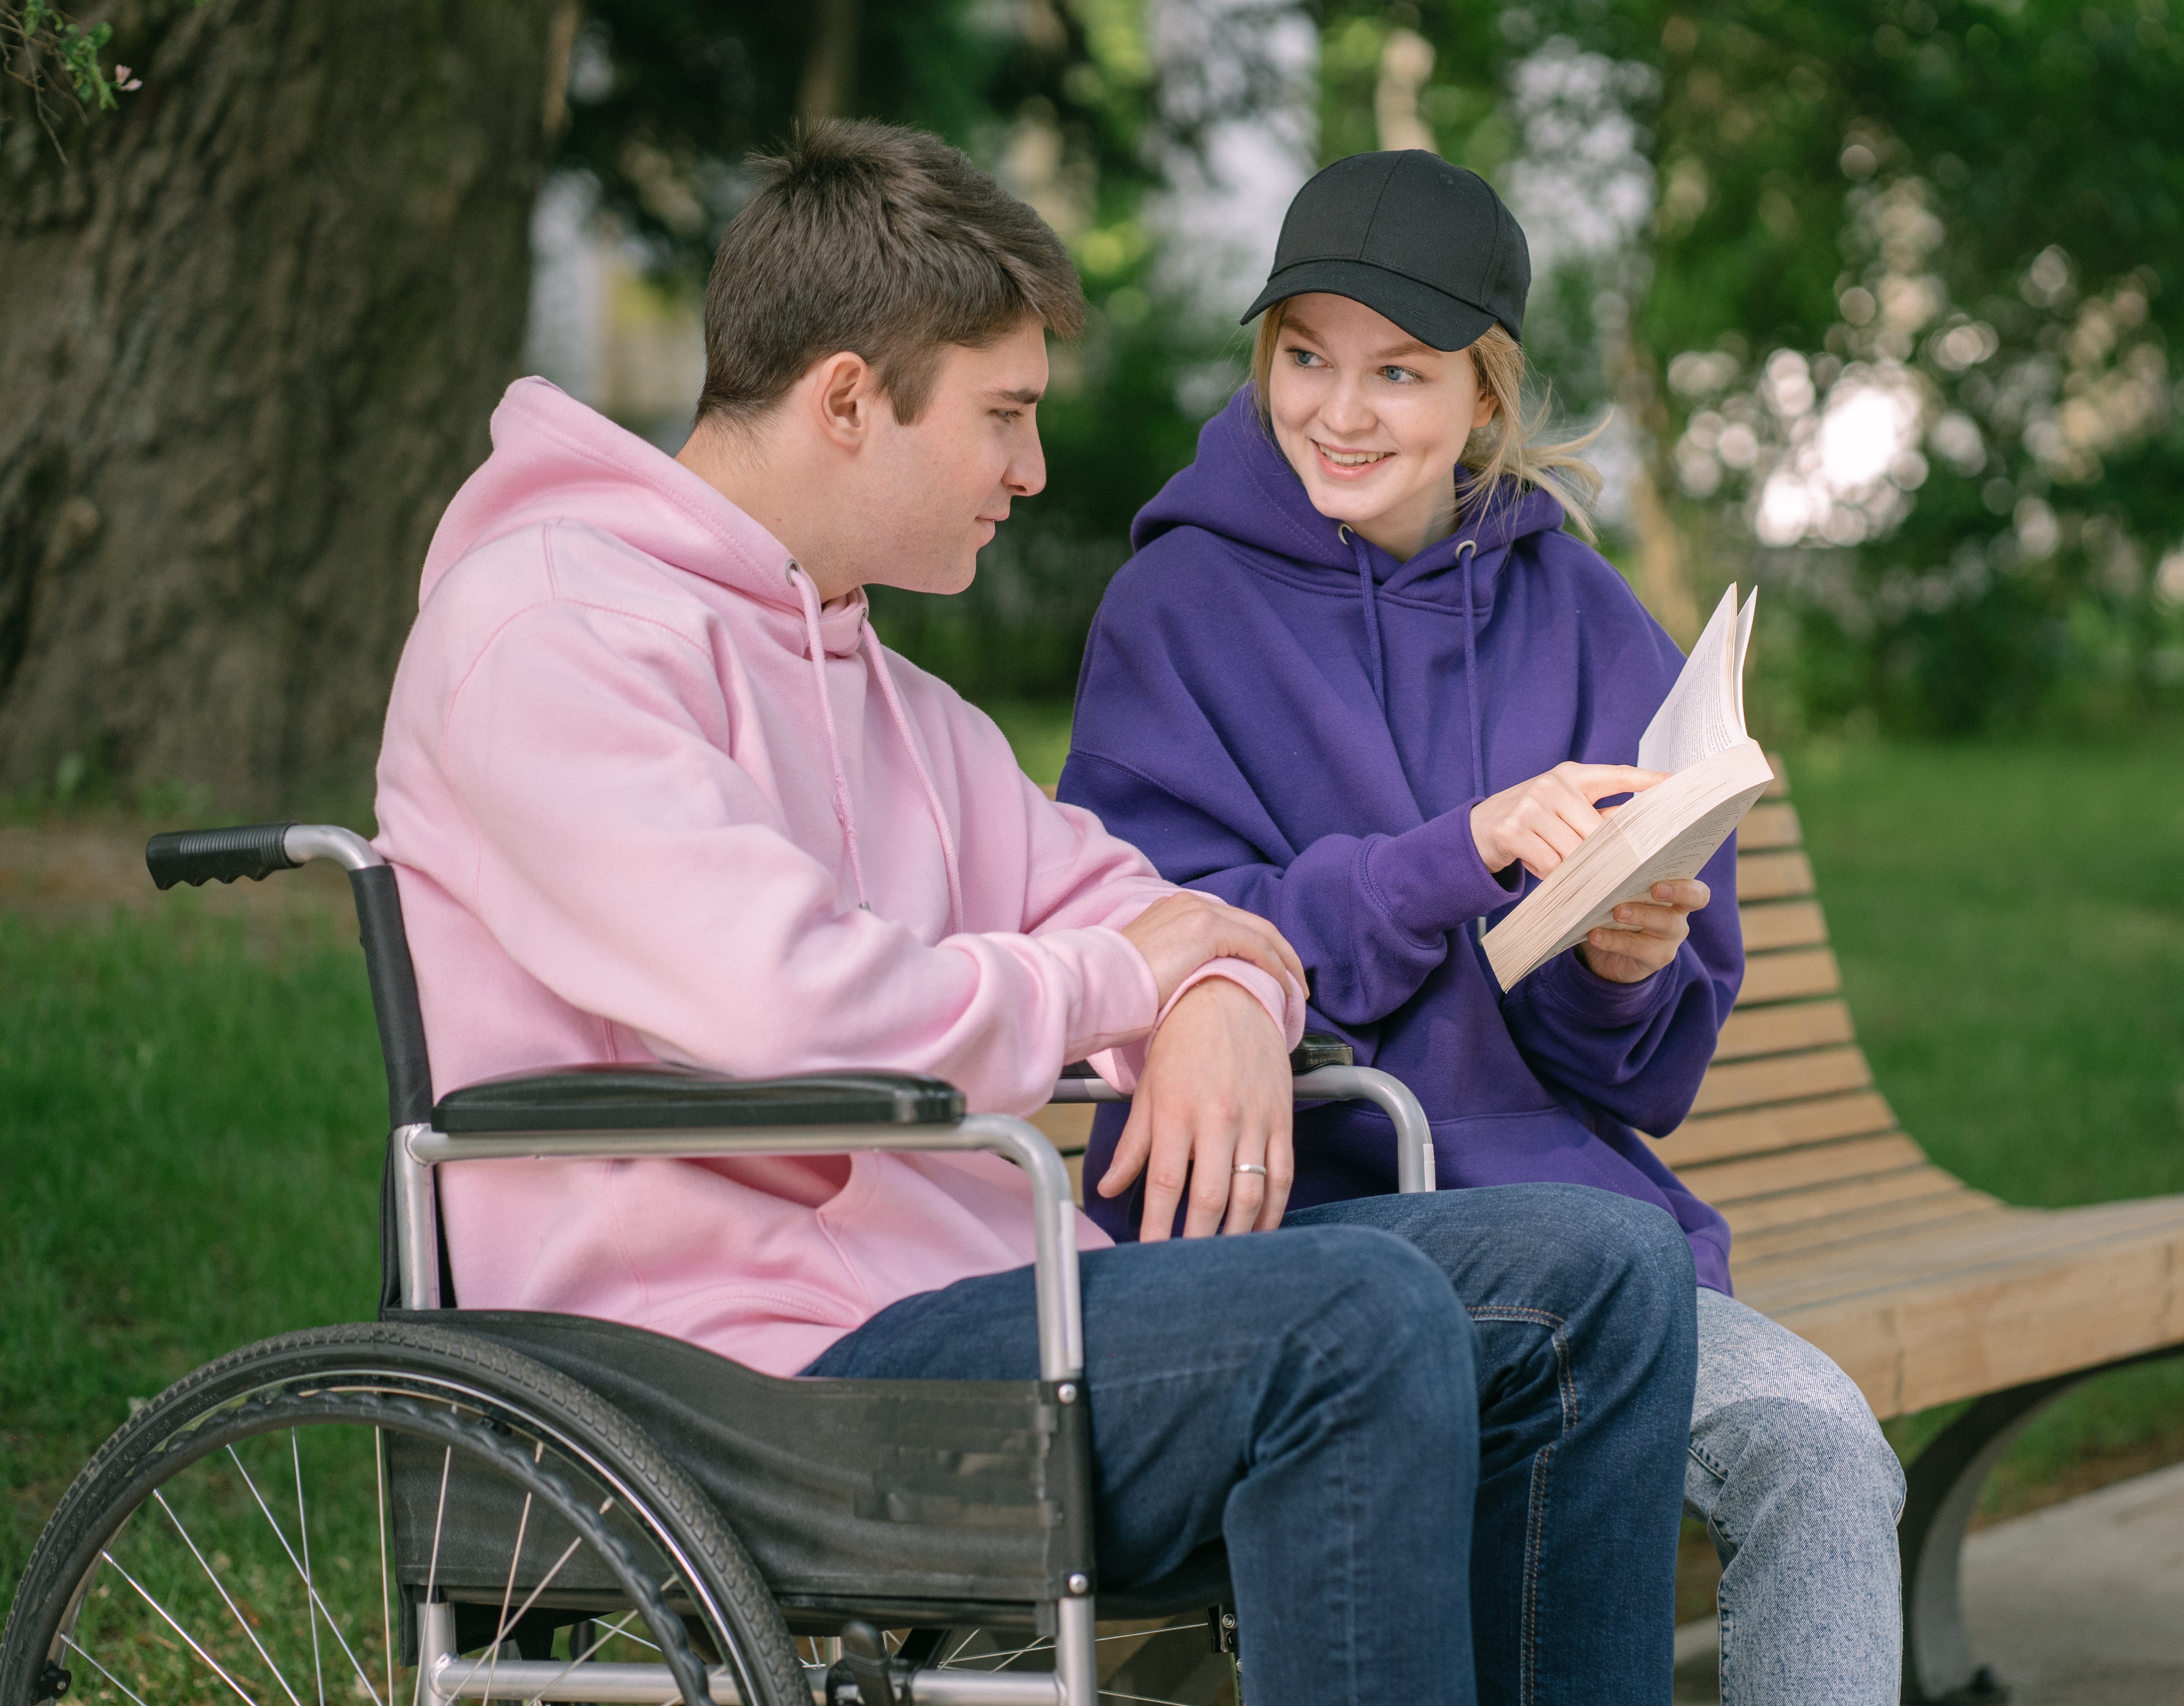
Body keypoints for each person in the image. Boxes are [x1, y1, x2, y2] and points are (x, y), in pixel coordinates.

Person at [371, 121, 1696, 1706]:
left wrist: (1210, 1003)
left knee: (1604, 1275)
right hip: (728, 1364)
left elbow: (1172, 916)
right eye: (1005, 416)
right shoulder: (548, 634)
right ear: (850, 399)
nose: (1035, 471)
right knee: (1350, 1317)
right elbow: (786, 1000)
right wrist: (1109, 985)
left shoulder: (897, 699)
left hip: (986, 1299)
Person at [1058, 151, 1907, 1703]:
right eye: (1306, 357)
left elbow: (1638, 1074)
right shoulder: (1176, 612)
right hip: (1310, 1232)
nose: (1342, 409)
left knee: (1821, 1451)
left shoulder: (1576, 611)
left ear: (1485, 393)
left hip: (1583, 1246)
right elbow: (1161, 932)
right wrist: (1449, 858)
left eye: (1400, 372)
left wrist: (1620, 970)